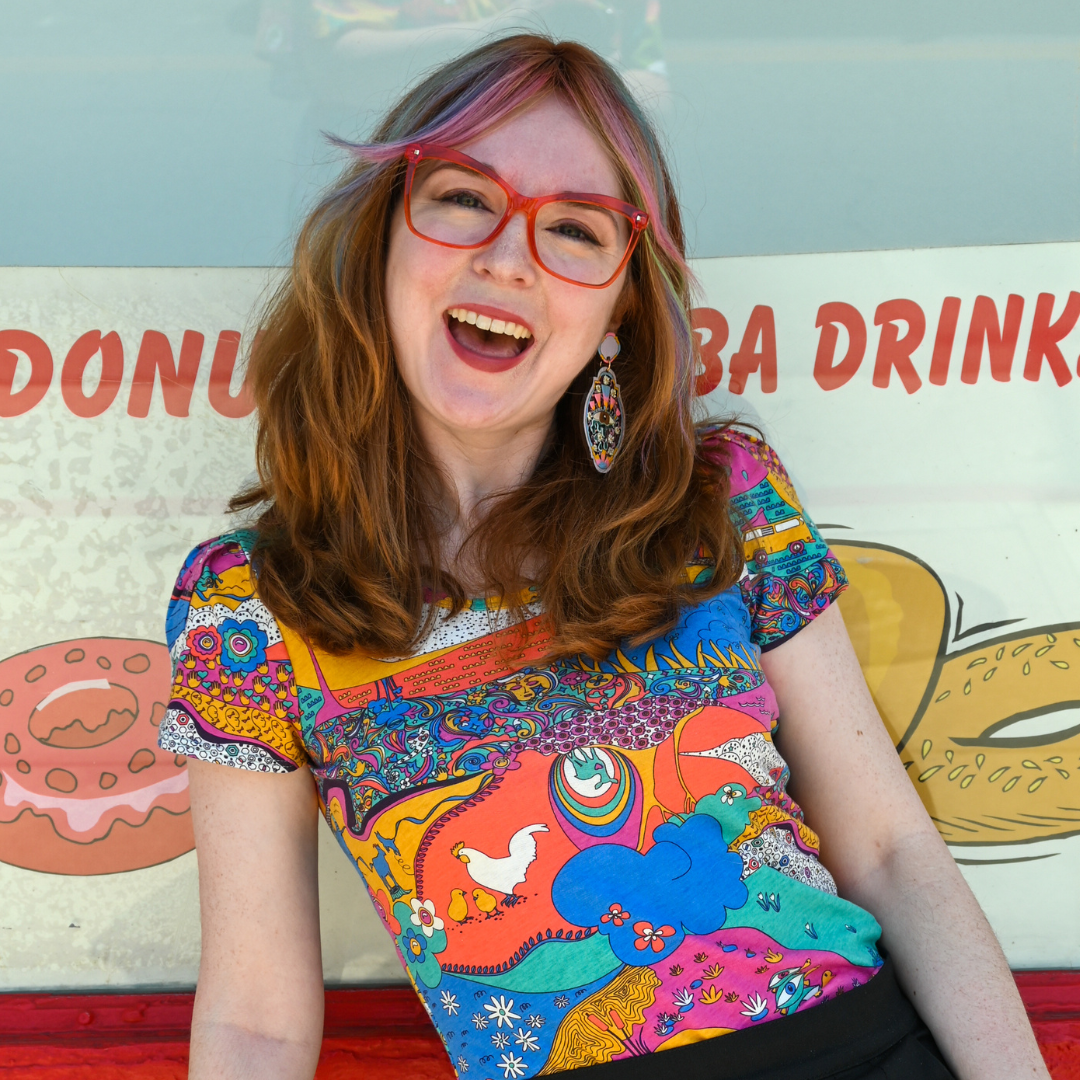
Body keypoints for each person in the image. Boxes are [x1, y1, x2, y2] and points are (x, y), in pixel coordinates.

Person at [159, 34, 1049, 1080]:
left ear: (616, 315)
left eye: (575, 228)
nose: (508, 257)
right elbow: (256, 1019)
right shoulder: (249, 607)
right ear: (381, 240)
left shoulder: (722, 499)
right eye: (462, 196)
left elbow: (893, 855)